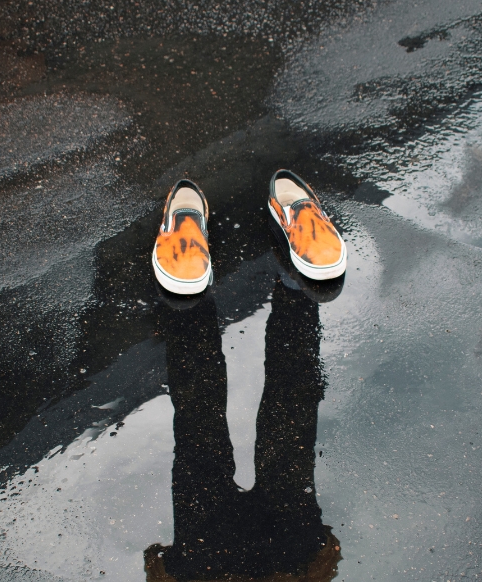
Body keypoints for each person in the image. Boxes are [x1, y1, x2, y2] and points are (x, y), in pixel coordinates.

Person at [144, 171, 347, 581]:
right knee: (286, 412)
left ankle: (192, 270)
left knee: (209, 425)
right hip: (284, 563)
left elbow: (155, 564)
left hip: (212, 567)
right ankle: (293, 273)